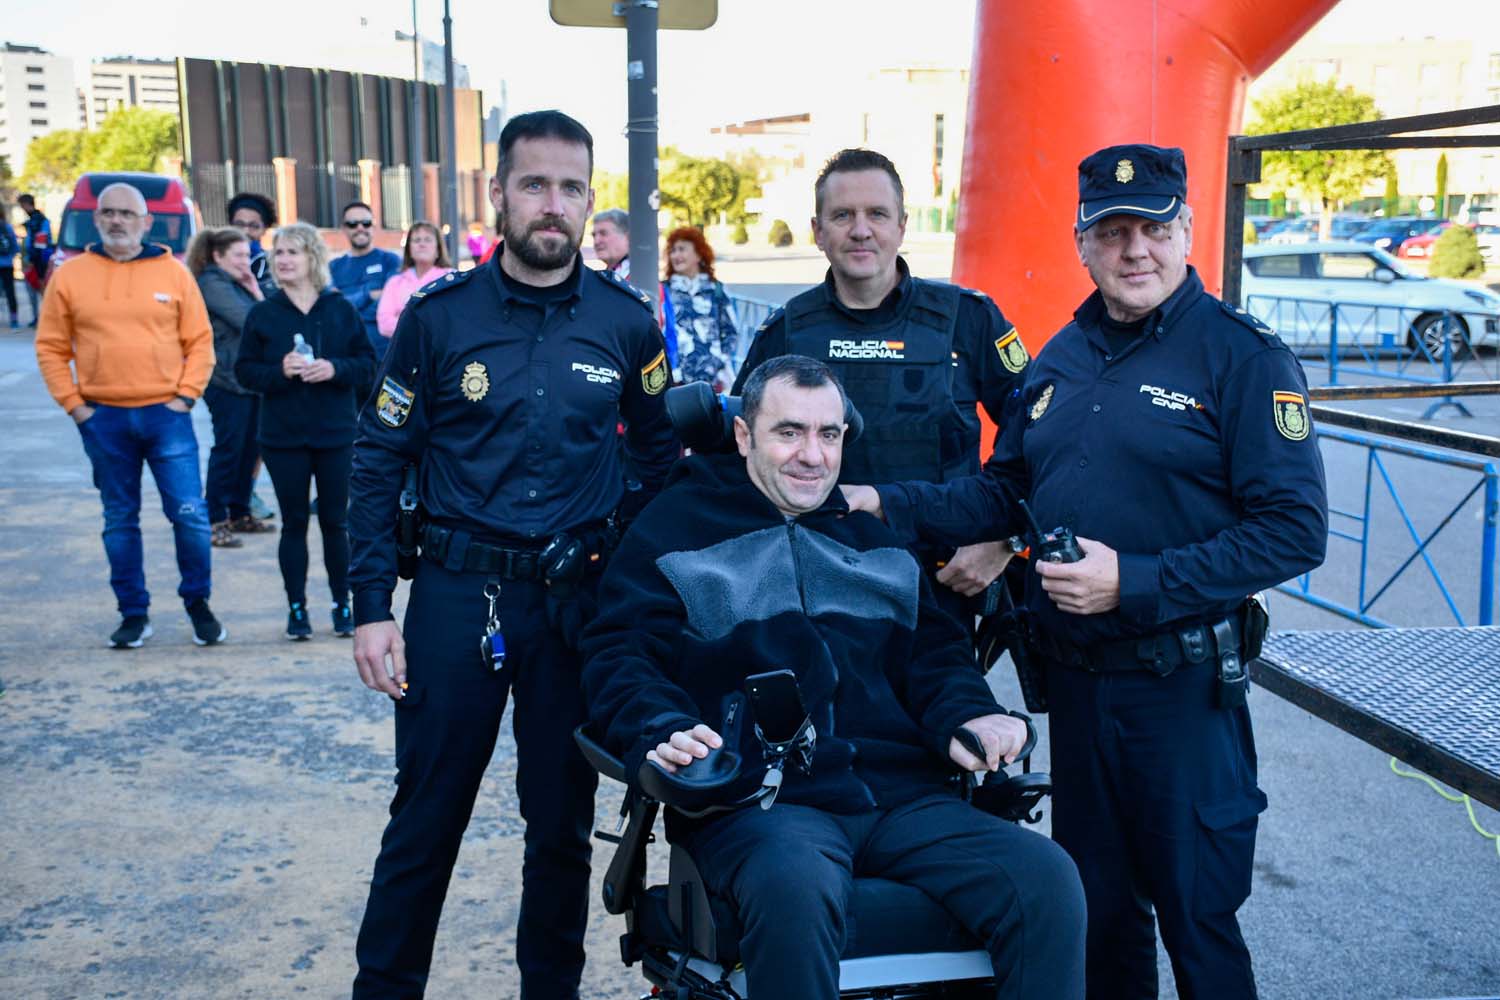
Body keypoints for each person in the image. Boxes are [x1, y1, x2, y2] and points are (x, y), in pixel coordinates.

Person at [845, 144, 1329, 998]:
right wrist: (884, 502)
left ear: (1187, 232)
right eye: (1112, 232)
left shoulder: (1244, 358)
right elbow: (1005, 492)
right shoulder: (1062, 355)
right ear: (1082, 243)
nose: (1135, 249)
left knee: (1200, 925)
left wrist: (1132, 580)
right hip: (1075, 688)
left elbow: (1294, 531)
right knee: (1100, 926)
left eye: (1154, 228)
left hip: (1179, 693)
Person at [581, 355, 1086, 999]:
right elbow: (619, 656)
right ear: (744, 435)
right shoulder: (674, 531)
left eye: (828, 434)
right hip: (762, 799)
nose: (812, 456)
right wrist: (663, 727)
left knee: (1045, 879)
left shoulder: (873, 540)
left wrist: (969, 713)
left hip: (901, 797)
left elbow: (936, 657)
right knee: (794, 886)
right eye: (788, 432)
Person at [346, 109, 678, 999]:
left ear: (590, 200)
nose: (552, 205)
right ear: (498, 192)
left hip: (575, 608)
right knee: (425, 820)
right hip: (457, 598)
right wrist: (372, 606)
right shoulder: (437, 318)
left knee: (562, 829)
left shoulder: (627, 324)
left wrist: (622, 566)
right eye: (534, 184)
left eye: (571, 188)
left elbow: (658, 458)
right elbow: (377, 456)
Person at [732, 148, 1029, 628]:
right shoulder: (786, 331)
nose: (861, 230)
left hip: (941, 584)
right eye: (842, 215)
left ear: (902, 226)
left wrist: (1003, 540)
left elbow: (1039, 437)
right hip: (817, 586)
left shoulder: (969, 320)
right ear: (818, 231)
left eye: (877, 214)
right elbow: (738, 453)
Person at [34, 182, 226, 648]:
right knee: (120, 520)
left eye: (127, 213)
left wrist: (185, 397)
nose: (117, 220)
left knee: (189, 516)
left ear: (146, 222)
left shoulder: (174, 273)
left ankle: (197, 603)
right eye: (108, 213)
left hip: (167, 417)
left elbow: (200, 342)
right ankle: (133, 614)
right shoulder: (71, 276)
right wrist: (75, 406)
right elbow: (51, 347)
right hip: (103, 419)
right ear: (96, 220)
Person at [235, 222, 376, 640]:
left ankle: (342, 603)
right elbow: (244, 372)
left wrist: (335, 368)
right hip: (283, 437)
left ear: (312, 257)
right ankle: (297, 608)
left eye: (292, 252)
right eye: (278, 253)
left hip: (336, 434)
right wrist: (279, 370)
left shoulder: (339, 309)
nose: (283, 260)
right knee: (293, 522)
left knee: (336, 522)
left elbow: (367, 365)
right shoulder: (263, 313)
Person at [187, 227, 275, 547]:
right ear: (217, 256)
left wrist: (253, 287)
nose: (244, 261)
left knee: (251, 448)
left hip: (247, 381)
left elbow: (268, 317)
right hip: (225, 381)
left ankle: (239, 512)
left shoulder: (238, 283)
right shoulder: (212, 283)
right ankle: (215, 519)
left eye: (247, 254)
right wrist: (254, 293)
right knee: (229, 449)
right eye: (237, 255)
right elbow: (254, 322)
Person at [662, 226, 739, 389]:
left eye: (682, 249)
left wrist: (720, 360)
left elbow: (731, 331)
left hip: (711, 381)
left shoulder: (716, 290)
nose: (676, 255)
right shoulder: (664, 290)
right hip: (675, 380)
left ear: (698, 254)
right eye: (673, 250)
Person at [329, 200, 401, 358]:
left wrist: (347, 300)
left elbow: (393, 304)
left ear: (373, 227)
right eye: (352, 224)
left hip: (385, 354)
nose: (360, 228)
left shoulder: (391, 260)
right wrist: (369, 295)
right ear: (344, 229)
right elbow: (334, 308)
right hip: (347, 355)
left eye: (366, 223)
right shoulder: (333, 267)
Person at [375, 221, 454, 341]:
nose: (422, 244)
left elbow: (453, 319)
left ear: (438, 249)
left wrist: (406, 324)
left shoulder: (451, 278)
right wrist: (424, 329)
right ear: (409, 250)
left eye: (428, 240)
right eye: (417, 240)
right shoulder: (395, 282)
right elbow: (384, 324)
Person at [227, 191, 279, 296]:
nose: (246, 231)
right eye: (239, 224)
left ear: (264, 229)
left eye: (254, 226)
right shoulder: (217, 262)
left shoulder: (274, 265)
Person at [18, 193, 53, 323]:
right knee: (36, 289)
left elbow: (41, 242)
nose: (22, 209)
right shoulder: (34, 219)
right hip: (36, 259)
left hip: (39, 260)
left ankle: (46, 318)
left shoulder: (39, 220)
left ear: (27, 204)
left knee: (42, 289)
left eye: (22, 206)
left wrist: (32, 260)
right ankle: (40, 317)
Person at [591, 207, 630, 279]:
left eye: (603, 233)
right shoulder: (604, 277)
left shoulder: (643, 277)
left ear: (628, 238)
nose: (596, 241)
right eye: (594, 235)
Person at [0, 205, 19, 329]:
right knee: (10, 292)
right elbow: (15, 247)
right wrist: (10, 258)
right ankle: (14, 320)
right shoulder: (7, 227)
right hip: (7, 264)